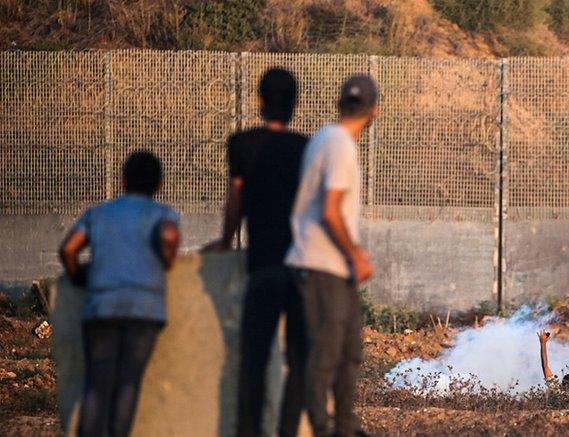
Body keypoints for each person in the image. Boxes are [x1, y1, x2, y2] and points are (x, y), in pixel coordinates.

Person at [204, 68, 308, 437]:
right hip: (300, 268)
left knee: (253, 360)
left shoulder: (242, 144)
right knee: (299, 362)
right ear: (295, 104)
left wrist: (225, 239)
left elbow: (236, 201)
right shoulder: (305, 148)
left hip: (261, 265)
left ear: (259, 101)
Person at [58, 151, 180, 437]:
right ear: (160, 185)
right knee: (128, 384)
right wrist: (166, 257)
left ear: (122, 181)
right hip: (145, 311)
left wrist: (78, 276)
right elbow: (169, 235)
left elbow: (68, 249)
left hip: (101, 308)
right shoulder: (162, 213)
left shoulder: (99, 212)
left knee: (97, 385)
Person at [286, 75, 379, 437]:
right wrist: (355, 254)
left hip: (332, 266)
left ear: (341, 103)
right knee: (326, 353)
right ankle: (324, 428)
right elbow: (329, 210)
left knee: (349, 349)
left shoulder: (324, 138)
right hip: (321, 263)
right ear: (373, 110)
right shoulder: (339, 144)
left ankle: (345, 425)